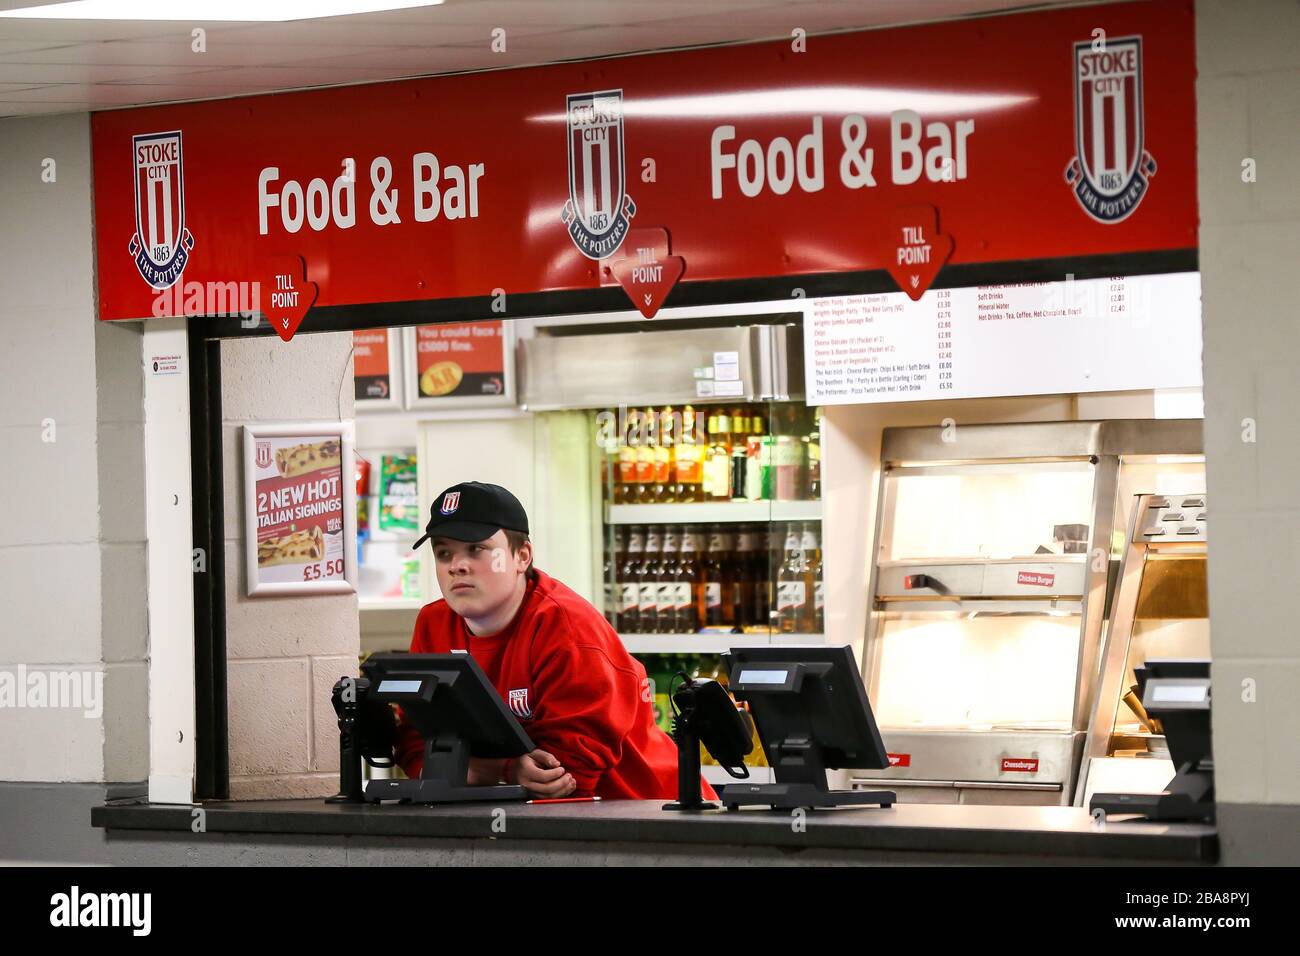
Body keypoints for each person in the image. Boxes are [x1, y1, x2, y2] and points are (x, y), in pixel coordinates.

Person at [394, 481, 716, 801]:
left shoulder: (567, 628)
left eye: (476, 549)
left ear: (522, 556)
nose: (456, 566)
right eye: (443, 553)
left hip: (652, 815)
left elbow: (564, 777)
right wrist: (504, 771)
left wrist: (467, 771)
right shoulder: (433, 624)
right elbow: (416, 746)